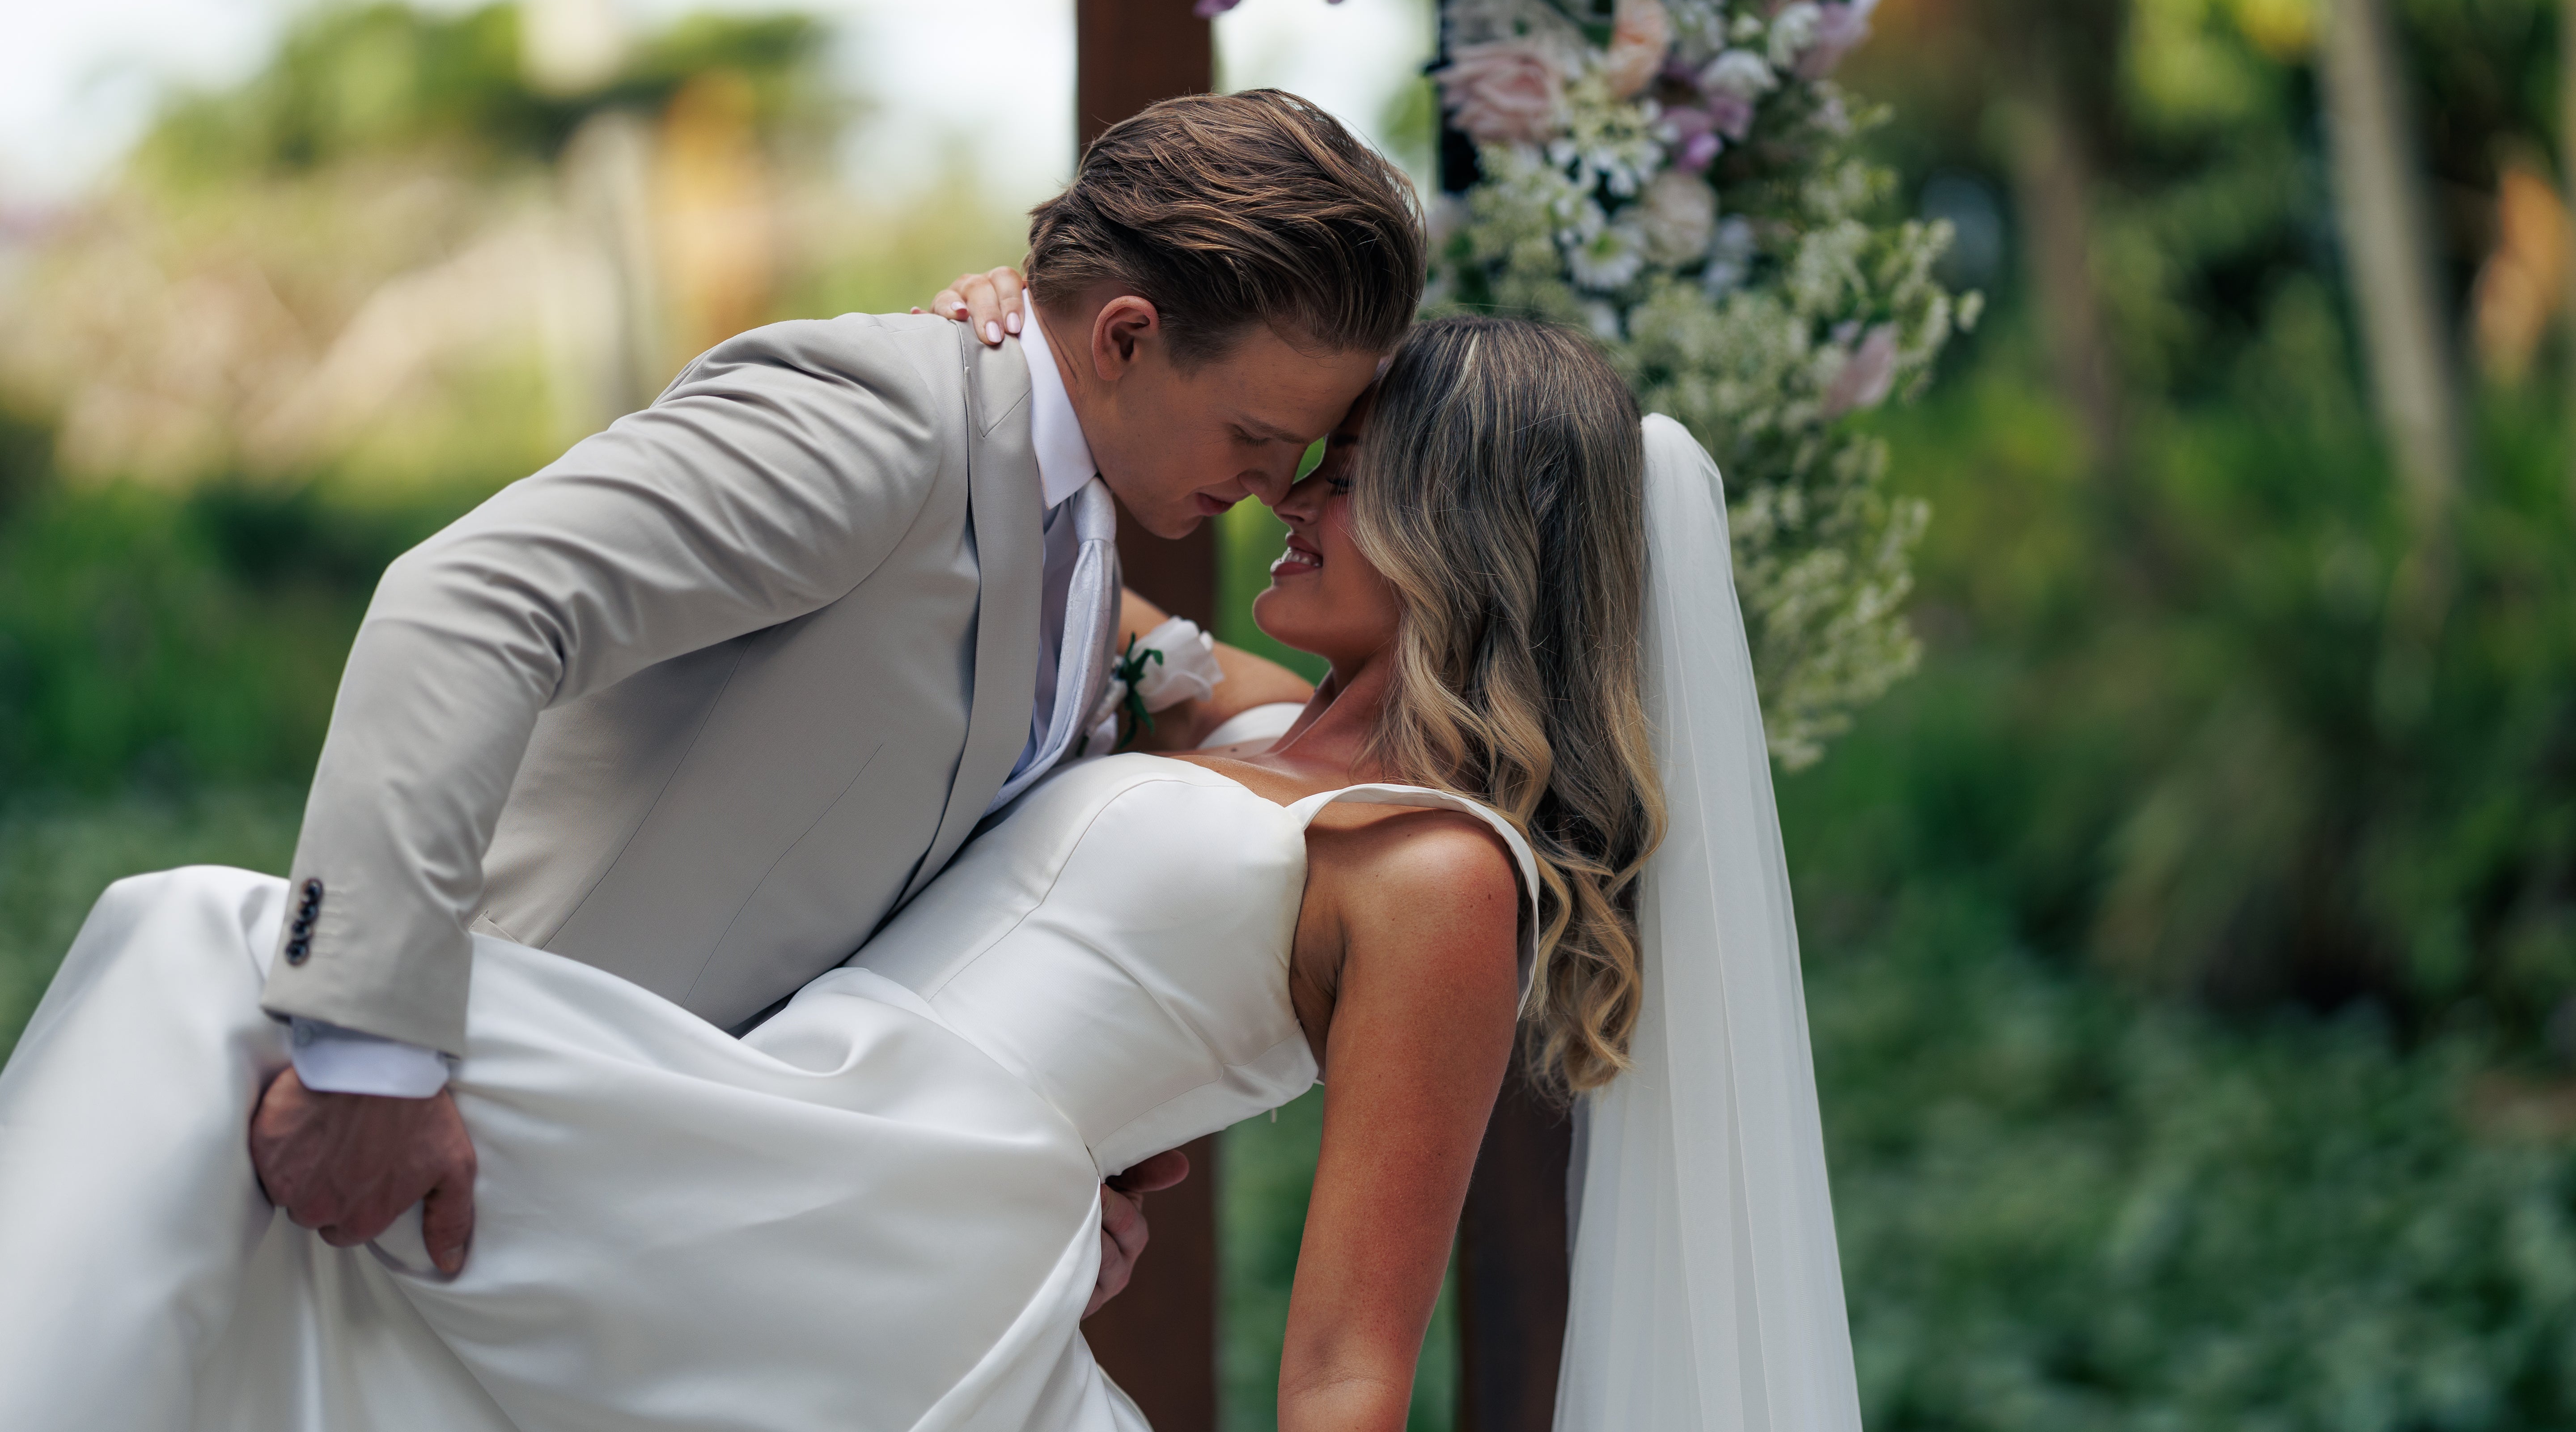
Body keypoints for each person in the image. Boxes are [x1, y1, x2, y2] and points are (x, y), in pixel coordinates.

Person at [0, 313, 1866, 1431]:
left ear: (1463, 532)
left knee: (201, 953)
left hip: (898, 1206)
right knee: (262, 1122)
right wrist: (1013, 335)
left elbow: (1352, 1359)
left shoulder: (1444, 877)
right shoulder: (1242, 719)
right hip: (791, 1114)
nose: (1286, 489)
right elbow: (1017, 503)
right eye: (1290, 450)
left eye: (1345, 469)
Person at [220, 86, 1421, 1301]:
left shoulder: (1074, 517)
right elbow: (471, 601)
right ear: (1121, 339)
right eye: (1257, 435)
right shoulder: (892, 417)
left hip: (646, 1209)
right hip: (440, 1134)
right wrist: (366, 1058)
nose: (1279, 486)